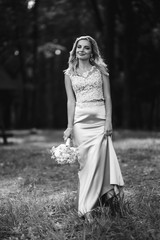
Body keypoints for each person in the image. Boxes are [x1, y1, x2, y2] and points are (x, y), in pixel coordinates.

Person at [63, 35, 124, 221]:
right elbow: (70, 101)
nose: (82, 50)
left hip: (100, 121)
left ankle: (105, 199)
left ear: (92, 51)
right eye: (79, 47)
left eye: (86, 48)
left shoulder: (101, 70)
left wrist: (108, 121)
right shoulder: (69, 74)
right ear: (75, 50)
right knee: (86, 165)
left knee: (100, 161)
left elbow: (108, 97)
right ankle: (86, 209)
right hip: (81, 123)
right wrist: (69, 126)